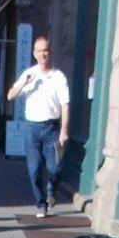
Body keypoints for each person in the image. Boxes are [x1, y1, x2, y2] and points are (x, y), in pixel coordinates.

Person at [7, 35, 70, 217]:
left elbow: (65, 105)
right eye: (40, 51)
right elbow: (10, 95)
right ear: (35, 54)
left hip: (52, 128)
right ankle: (40, 203)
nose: (43, 54)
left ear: (50, 53)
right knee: (34, 169)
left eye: (46, 50)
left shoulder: (58, 77)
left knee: (56, 168)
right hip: (32, 128)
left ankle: (51, 191)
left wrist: (64, 130)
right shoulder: (29, 74)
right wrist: (24, 84)